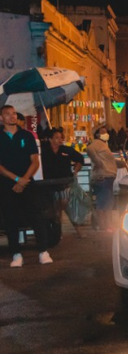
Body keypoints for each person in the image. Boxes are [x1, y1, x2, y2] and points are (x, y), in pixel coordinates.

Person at [0, 105, 53, 267]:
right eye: (7, 114)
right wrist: (16, 179)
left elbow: (35, 161)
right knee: (10, 219)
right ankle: (16, 254)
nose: (12, 116)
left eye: (14, 113)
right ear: (1, 118)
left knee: (36, 216)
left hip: (28, 182)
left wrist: (23, 179)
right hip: (7, 184)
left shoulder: (26, 135)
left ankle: (43, 251)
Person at [41, 128, 85, 238]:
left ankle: (78, 231)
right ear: (50, 139)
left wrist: (75, 171)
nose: (60, 140)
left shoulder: (66, 150)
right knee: (55, 209)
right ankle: (58, 233)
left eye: (61, 137)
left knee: (67, 206)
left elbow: (80, 159)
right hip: (49, 184)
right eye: (57, 138)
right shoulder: (43, 151)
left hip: (65, 183)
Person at [87, 125, 124, 232]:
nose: (106, 133)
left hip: (105, 177)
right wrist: (97, 162)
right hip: (103, 177)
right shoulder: (97, 143)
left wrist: (118, 163)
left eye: (106, 131)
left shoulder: (103, 145)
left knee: (106, 202)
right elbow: (89, 149)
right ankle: (105, 226)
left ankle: (105, 225)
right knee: (105, 203)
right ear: (97, 134)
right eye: (103, 132)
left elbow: (107, 160)